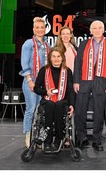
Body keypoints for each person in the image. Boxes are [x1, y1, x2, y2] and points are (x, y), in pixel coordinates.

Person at [73, 20, 106, 151]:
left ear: (103, 30)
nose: (97, 30)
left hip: (101, 81)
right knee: (80, 111)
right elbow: (77, 63)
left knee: (99, 112)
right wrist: (76, 81)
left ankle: (97, 140)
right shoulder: (84, 44)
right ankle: (82, 138)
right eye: (94, 28)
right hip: (84, 81)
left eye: (99, 28)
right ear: (90, 31)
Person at [33, 47, 74, 151]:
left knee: (59, 105)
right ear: (50, 58)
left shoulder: (67, 71)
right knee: (51, 104)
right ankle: (47, 140)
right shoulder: (44, 70)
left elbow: (70, 90)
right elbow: (36, 88)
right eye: (54, 56)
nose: (56, 59)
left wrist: (72, 105)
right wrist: (46, 92)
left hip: (62, 100)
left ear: (62, 58)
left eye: (58, 56)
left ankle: (58, 139)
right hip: (47, 100)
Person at [19, 17, 50, 148]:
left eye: (42, 27)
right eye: (37, 27)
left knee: (40, 111)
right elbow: (24, 63)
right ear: (33, 29)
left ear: (45, 29)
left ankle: (36, 137)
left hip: (42, 84)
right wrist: (30, 81)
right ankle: (28, 136)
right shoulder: (28, 43)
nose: (39, 29)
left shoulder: (47, 45)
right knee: (31, 109)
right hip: (31, 82)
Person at [55, 26, 77, 147]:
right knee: (62, 110)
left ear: (71, 35)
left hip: (72, 83)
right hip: (60, 83)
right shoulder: (57, 49)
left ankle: (69, 136)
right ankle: (61, 135)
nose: (65, 36)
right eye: (63, 34)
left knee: (71, 109)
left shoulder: (74, 48)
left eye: (67, 34)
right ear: (60, 35)